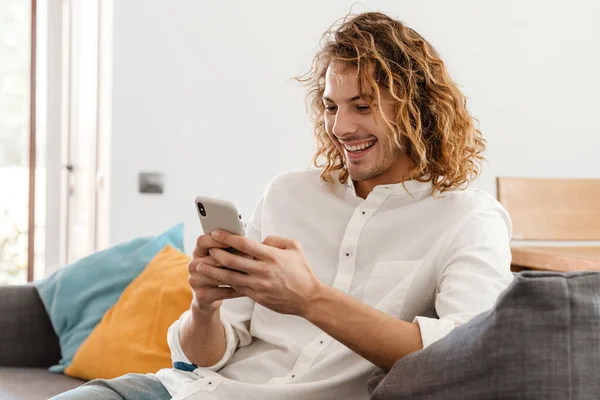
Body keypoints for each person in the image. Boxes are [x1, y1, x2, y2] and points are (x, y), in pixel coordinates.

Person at [54, 11, 513, 400]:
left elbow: (468, 355)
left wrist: (310, 299)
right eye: (331, 107)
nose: (341, 127)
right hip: (185, 390)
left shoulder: (467, 218)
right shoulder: (288, 194)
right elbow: (205, 356)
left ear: (417, 107)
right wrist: (206, 307)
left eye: (363, 105)